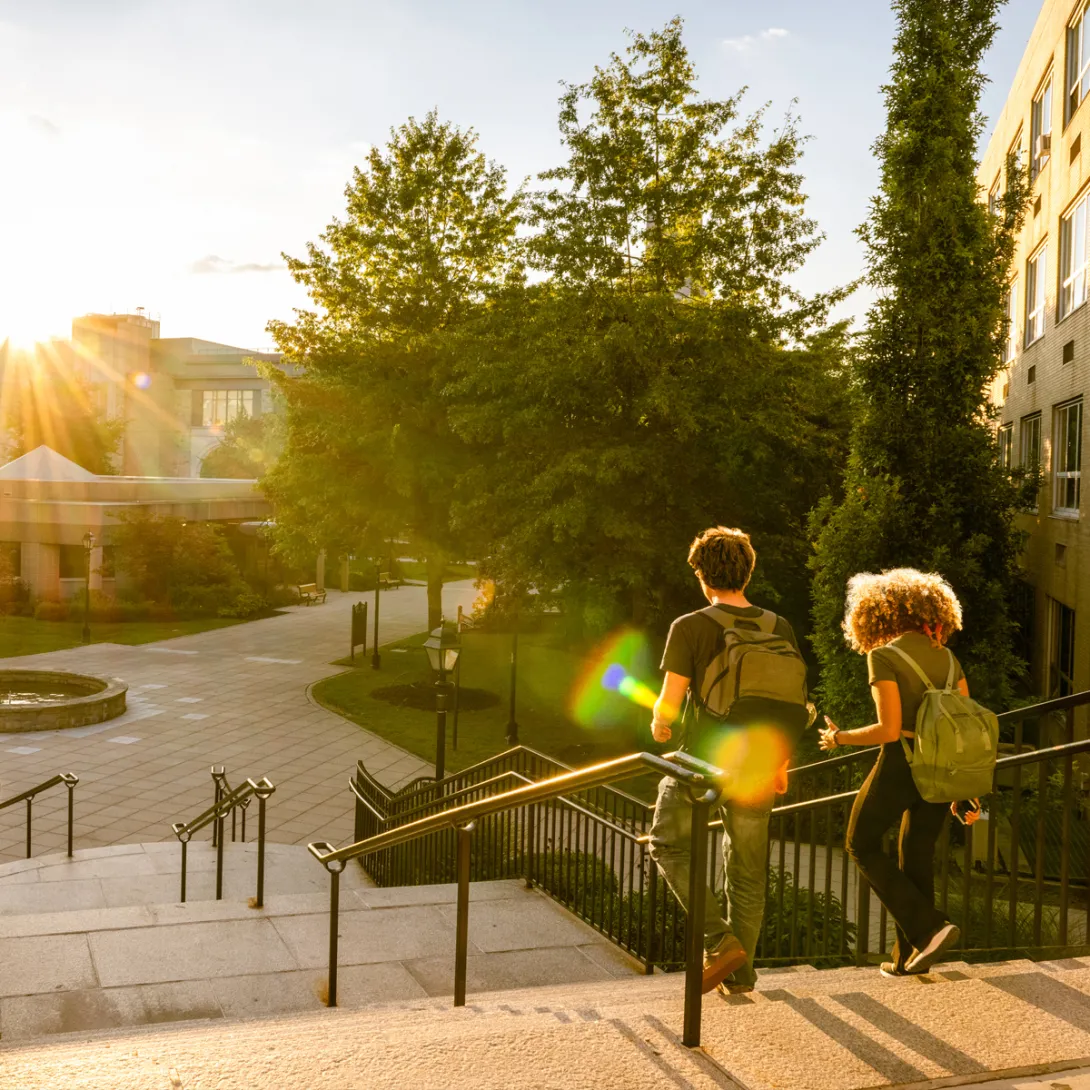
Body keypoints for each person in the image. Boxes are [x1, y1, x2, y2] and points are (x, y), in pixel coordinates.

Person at [648, 526, 810, 995]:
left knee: (666, 843)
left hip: (703, 763)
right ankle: (740, 975)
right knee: (747, 871)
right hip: (760, 764)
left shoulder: (691, 626)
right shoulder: (779, 626)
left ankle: (719, 941)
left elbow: (669, 703)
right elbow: (786, 702)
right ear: (748, 571)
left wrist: (659, 727)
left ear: (702, 574)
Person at [819, 568, 981, 977]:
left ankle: (929, 928)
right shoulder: (947, 657)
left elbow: (888, 730)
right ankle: (909, 957)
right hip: (942, 768)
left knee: (860, 843)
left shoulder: (884, 655)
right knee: (916, 855)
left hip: (902, 763)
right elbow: (963, 725)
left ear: (876, 616)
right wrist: (966, 792)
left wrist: (839, 738)